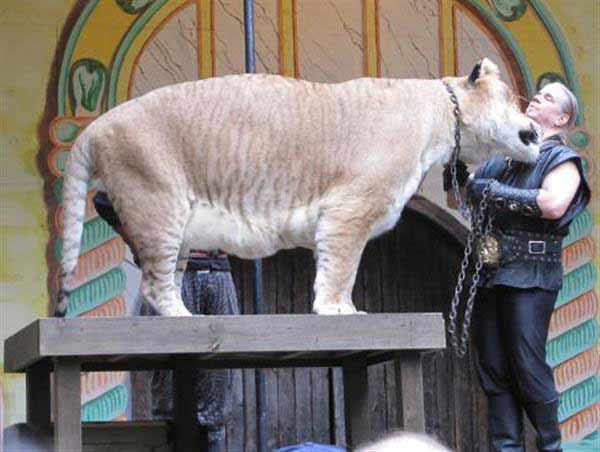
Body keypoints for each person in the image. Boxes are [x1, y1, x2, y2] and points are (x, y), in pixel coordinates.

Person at [444, 82, 590, 452]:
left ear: (562, 118)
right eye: (538, 94)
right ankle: (506, 448)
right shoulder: (501, 159)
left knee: (526, 365)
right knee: (493, 367)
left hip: (532, 274)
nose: (537, 97)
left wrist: (492, 190)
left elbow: (554, 204)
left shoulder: (562, 159)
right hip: (492, 273)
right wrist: (459, 176)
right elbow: (462, 200)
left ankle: (550, 446)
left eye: (549, 97)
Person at [93, 191, 239, 451]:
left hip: (217, 272)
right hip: (171, 274)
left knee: (218, 383)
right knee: (170, 392)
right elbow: (105, 198)